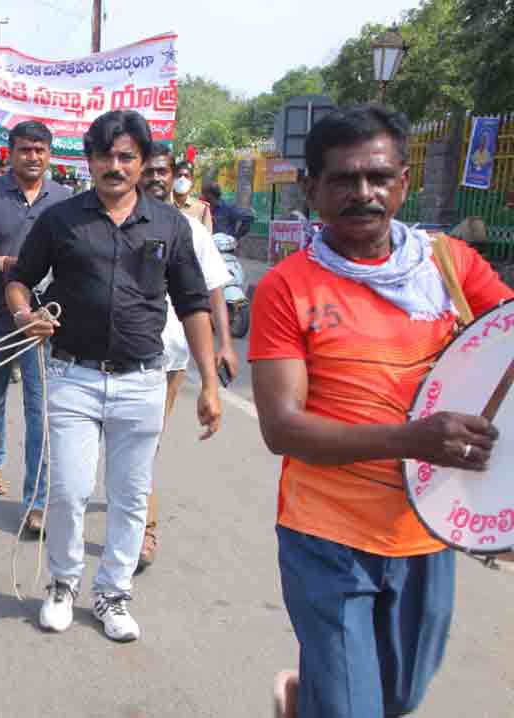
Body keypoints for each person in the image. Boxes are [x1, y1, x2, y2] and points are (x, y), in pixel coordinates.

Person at [250, 104, 512, 718]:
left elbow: (506, 349)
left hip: (427, 529)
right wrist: (413, 440)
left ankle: (302, 700)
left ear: (403, 183)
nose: (363, 193)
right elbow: (282, 428)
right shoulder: (287, 288)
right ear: (311, 188)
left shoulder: (450, 266)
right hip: (327, 534)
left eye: (378, 177)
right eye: (343, 179)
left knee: (399, 698)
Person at [7, 110, 222, 643]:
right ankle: (62, 583)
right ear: (89, 160)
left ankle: (112, 594)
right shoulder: (62, 221)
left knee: (129, 496)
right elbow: (18, 278)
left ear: (144, 163)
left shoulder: (170, 226)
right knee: (69, 491)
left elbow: (194, 304)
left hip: (143, 381)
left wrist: (211, 382)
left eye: (127, 156)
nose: (115, 166)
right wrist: (22, 314)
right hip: (73, 376)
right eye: (104, 155)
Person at [0, 120, 69, 532]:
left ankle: (36, 502)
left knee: (41, 413)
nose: (33, 156)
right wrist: (3, 264)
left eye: (40, 149)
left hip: (44, 323)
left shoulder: (64, 198)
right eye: (25, 149)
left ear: (49, 154)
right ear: (11, 152)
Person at [136, 142, 238, 572]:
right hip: (114, 354)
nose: (158, 178)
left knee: (145, 444)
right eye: (151, 171)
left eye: (164, 171)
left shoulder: (190, 229)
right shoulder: (114, 220)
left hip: (170, 357)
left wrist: (225, 346)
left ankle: (145, 530)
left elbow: (214, 288)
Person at [171, 160, 213, 234]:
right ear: (172, 179)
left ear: (192, 181)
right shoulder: (162, 205)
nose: (182, 179)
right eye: (179, 175)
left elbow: (207, 239)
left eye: (186, 176)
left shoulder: (202, 209)